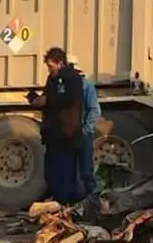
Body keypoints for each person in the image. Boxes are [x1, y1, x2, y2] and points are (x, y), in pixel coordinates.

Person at [28, 47, 84, 205]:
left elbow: (70, 98)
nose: (49, 70)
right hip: (53, 132)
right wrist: (38, 100)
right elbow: (49, 97)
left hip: (67, 132)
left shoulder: (72, 77)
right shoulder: (51, 79)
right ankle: (57, 198)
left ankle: (65, 201)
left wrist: (48, 99)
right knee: (52, 169)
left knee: (65, 169)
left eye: (51, 66)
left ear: (60, 64)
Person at [66, 55, 101, 198]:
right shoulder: (67, 85)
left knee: (85, 169)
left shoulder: (85, 85)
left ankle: (91, 201)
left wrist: (85, 129)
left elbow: (94, 109)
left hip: (81, 133)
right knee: (73, 170)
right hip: (71, 133)